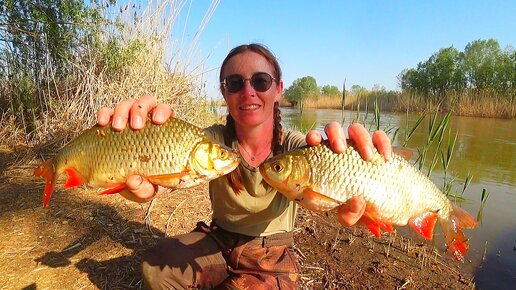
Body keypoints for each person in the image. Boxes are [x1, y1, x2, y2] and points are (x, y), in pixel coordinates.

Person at [97, 43, 392, 290]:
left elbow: (332, 176)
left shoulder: (296, 148)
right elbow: (161, 165)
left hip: (270, 252)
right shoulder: (208, 141)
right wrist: (131, 149)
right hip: (217, 238)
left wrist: (363, 169)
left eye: (261, 81)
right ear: (224, 93)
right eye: (235, 83)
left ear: (278, 89)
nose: (248, 91)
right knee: (156, 268)